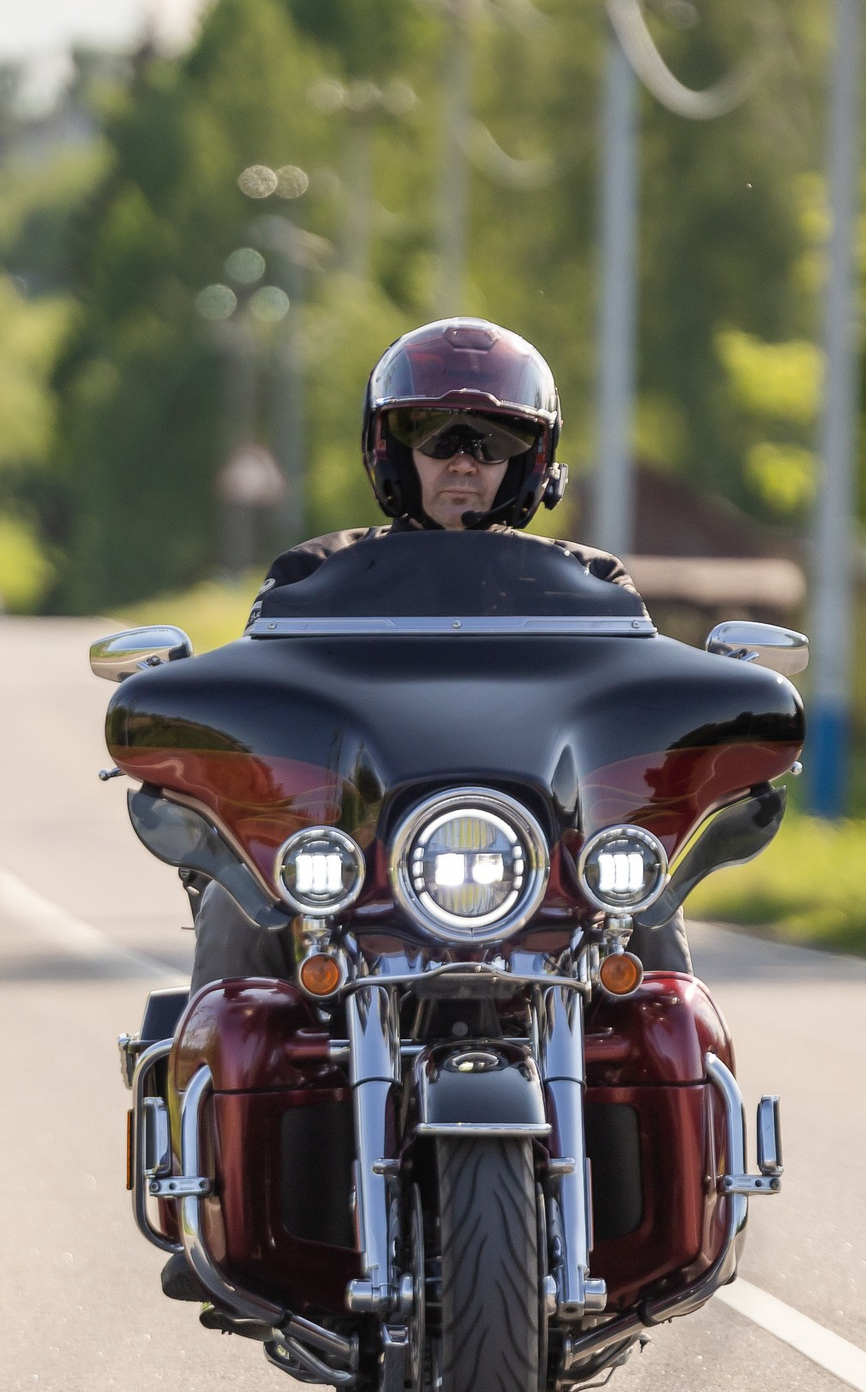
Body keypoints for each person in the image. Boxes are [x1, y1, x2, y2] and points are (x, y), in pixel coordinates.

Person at [189, 316, 690, 990]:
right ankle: (215, 1059)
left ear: (532, 459)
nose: (463, 461)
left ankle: (677, 1062)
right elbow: (266, 709)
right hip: (353, 850)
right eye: (434, 435)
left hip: (547, 850)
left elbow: (628, 710)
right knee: (236, 904)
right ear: (392, 451)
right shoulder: (314, 577)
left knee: (649, 900)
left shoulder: (591, 584)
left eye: (494, 440)